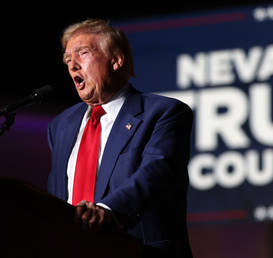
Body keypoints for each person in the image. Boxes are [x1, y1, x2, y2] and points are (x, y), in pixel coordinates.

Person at [46, 19, 193, 258]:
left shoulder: (163, 112)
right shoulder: (61, 124)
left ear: (116, 60)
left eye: (82, 53)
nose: (72, 65)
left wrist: (105, 211)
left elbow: (156, 172)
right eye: (67, 59)